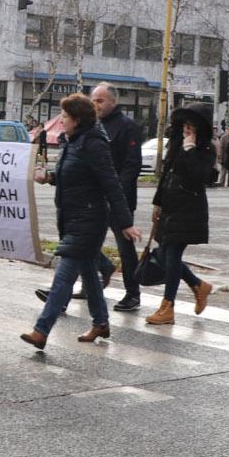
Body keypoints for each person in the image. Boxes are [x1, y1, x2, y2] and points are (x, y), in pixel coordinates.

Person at [21, 93, 141, 349]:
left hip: (89, 220)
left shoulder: (94, 144)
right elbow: (72, 174)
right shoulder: (72, 142)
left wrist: (125, 222)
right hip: (73, 217)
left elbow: (111, 184)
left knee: (63, 278)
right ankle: (101, 322)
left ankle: (41, 331)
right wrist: (50, 177)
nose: (61, 121)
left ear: (76, 119)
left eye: (64, 116)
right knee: (88, 272)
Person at [142, 104, 215, 326]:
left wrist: (190, 149)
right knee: (164, 254)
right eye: (185, 125)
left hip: (189, 209)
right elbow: (166, 175)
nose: (187, 129)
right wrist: (157, 204)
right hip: (169, 207)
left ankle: (167, 307)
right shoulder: (175, 143)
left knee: (172, 254)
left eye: (192, 126)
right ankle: (198, 285)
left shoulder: (206, 149)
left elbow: (200, 177)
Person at [87, 83, 142, 311]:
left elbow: (132, 164)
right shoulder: (92, 124)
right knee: (87, 241)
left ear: (113, 102)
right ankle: (91, 282)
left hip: (119, 198)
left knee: (125, 248)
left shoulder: (127, 126)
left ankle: (133, 293)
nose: (95, 105)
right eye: (93, 100)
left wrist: (116, 192)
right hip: (94, 196)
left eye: (100, 101)